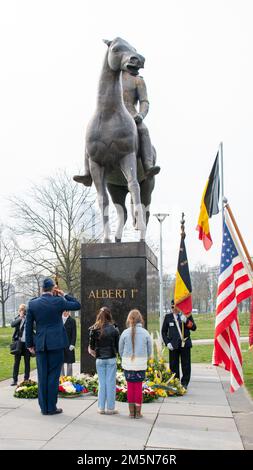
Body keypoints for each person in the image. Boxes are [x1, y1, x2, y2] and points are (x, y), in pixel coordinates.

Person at [73, 69, 160, 187]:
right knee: (92, 134)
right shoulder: (109, 78)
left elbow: (144, 101)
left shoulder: (137, 80)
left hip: (131, 115)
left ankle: (148, 165)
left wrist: (141, 114)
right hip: (109, 116)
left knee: (143, 130)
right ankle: (88, 173)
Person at [25, 278, 81, 415]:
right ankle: (51, 407)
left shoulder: (32, 304)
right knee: (53, 376)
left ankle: (44, 408)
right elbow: (77, 305)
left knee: (42, 375)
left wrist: (29, 344)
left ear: (42, 289)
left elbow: (28, 326)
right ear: (53, 289)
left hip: (41, 344)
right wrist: (64, 294)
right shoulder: (59, 301)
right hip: (56, 344)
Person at [119, 309, 152, 419]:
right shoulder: (146, 333)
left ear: (129, 320)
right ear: (140, 320)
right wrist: (145, 358)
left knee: (130, 387)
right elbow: (149, 350)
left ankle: (131, 412)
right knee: (138, 387)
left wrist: (125, 358)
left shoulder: (124, 333)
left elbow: (120, 349)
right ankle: (138, 413)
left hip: (128, 364)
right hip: (140, 364)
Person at [88, 306, 119, 415]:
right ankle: (110, 408)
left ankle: (101, 408)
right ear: (109, 315)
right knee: (110, 383)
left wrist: (96, 353)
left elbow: (91, 348)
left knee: (102, 383)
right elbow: (117, 347)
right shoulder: (114, 329)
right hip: (111, 358)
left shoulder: (94, 329)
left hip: (100, 359)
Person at [161, 299, 197, 390]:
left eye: (176, 307)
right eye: (172, 307)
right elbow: (164, 332)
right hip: (173, 345)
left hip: (185, 344)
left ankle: (184, 383)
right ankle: (175, 382)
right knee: (173, 365)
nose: (174, 309)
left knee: (186, 365)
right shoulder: (168, 317)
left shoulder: (187, 315)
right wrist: (167, 342)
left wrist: (186, 321)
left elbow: (194, 328)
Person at [10, 304, 31, 386]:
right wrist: (20, 318)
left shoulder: (29, 318)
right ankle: (14, 380)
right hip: (18, 343)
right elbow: (12, 324)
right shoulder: (17, 318)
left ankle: (26, 379)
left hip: (27, 343)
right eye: (20, 310)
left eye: (23, 310)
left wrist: (27, 318)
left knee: (27, 362)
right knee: (16, 362)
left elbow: (35, 327)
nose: (22, 311)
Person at [61, 310, 77, 377]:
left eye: (67, 311)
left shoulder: (72, 321)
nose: (65, 312)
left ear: (69, 312)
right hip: (60, 345)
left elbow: (74, 333)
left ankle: (69, 378)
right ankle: (61, 378)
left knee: (69, 362)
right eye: (64, 311)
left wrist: (72, 344)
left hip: (69, 344)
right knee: (60, 362)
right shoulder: (58, 319)